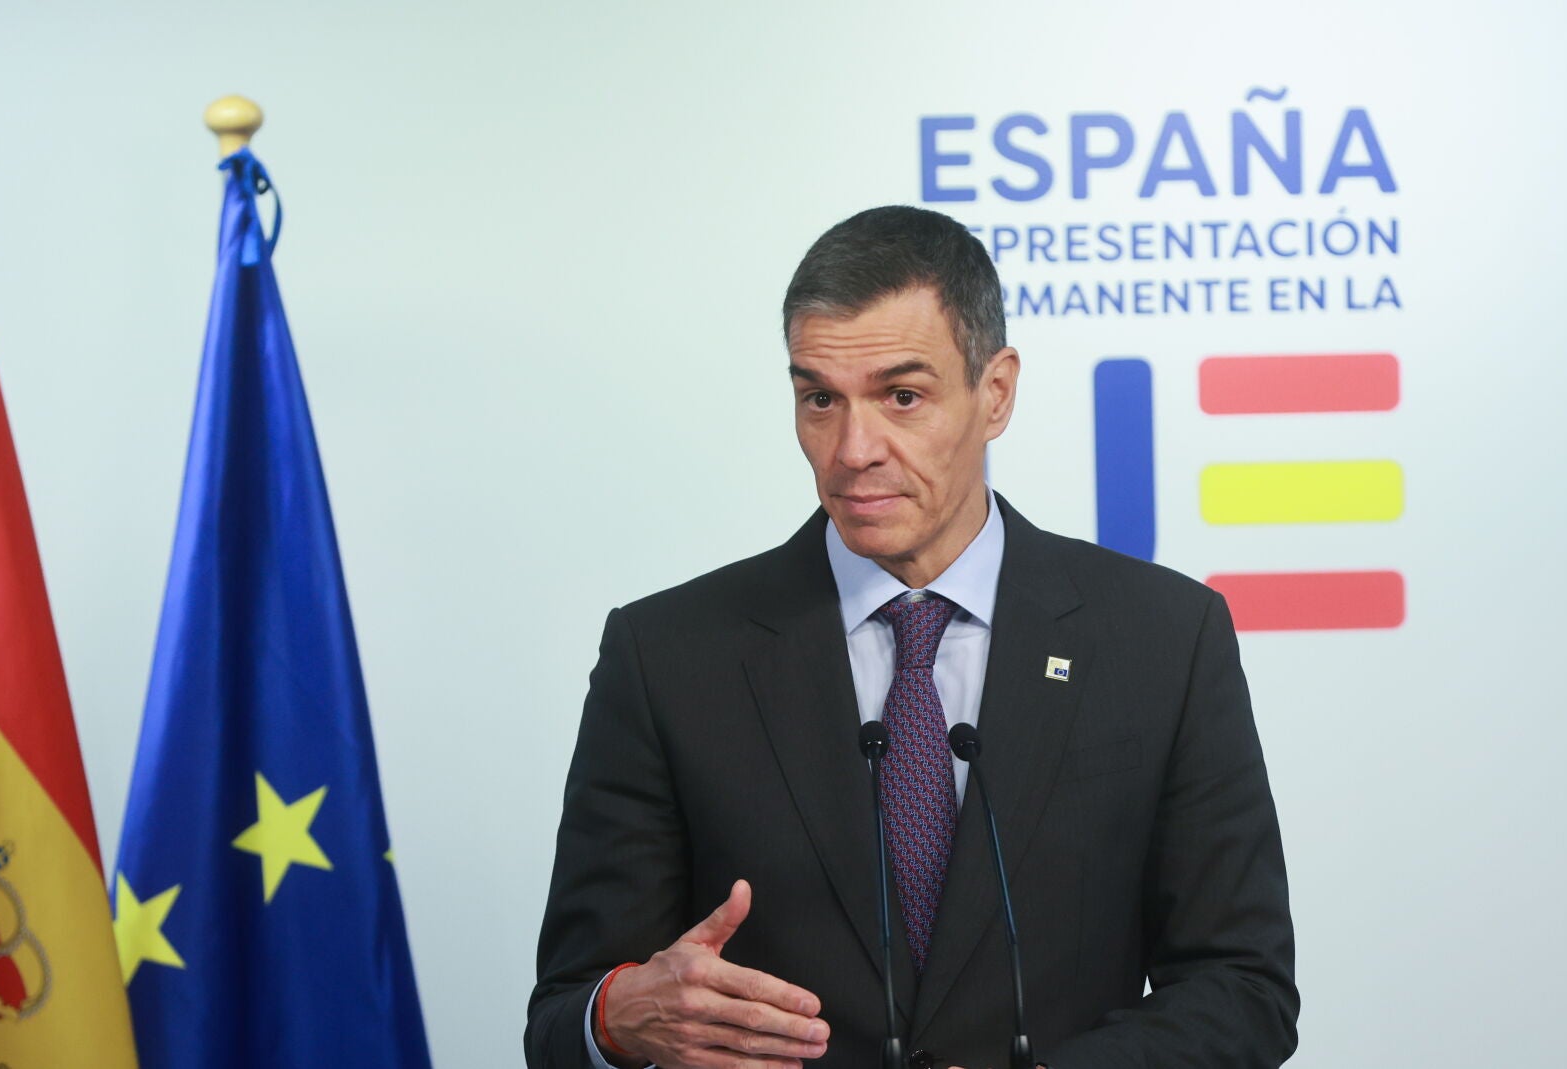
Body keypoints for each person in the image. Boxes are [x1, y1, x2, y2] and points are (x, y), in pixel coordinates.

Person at [525, 206, 1298, 1069]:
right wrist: (617, 1016)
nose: (854, 449)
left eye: (902, 396)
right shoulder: (667, 655)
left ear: (995, 392)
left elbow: (1243, 988)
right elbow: (563, 1018)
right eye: (820, 398)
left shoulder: (1162, 639)